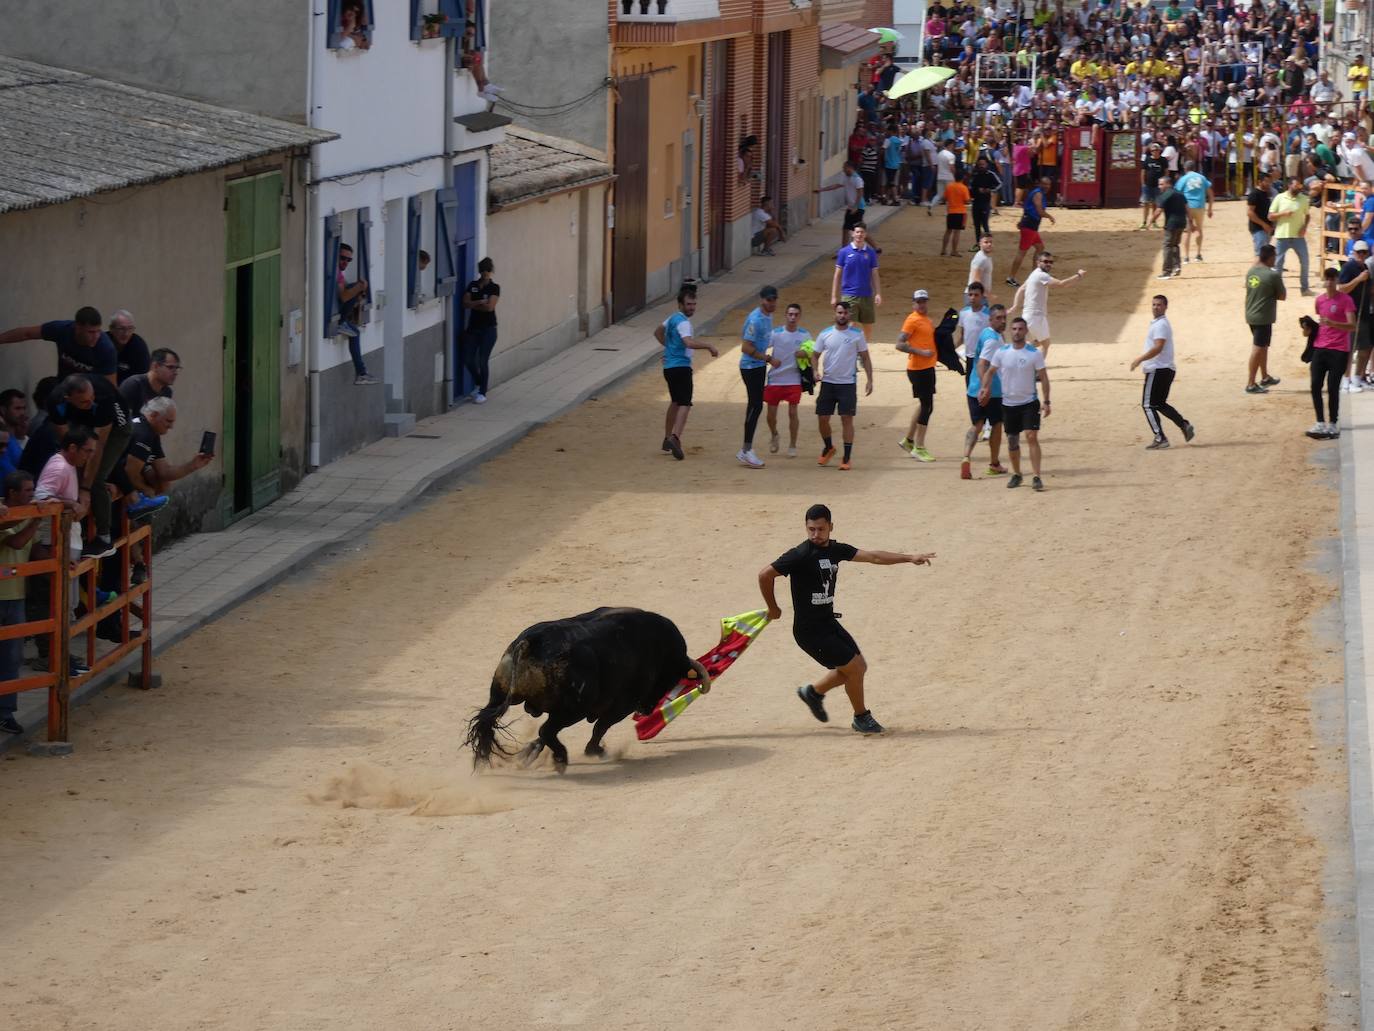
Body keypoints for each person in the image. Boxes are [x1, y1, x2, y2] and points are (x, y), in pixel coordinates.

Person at [759, 503, 934, 737]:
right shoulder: (800, 554)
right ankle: (861, 717)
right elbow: (765, 574)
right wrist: (773, 607)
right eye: (811, 529)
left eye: (821, 529)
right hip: (809, 631)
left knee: (858, 668)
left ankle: (814, 692)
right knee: (854, 669)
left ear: (831, 527)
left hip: (828, 623)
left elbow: (873, 557)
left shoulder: (835, 549)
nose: (815, 534)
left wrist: (910, 557)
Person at [44, 374, 134, 559]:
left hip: (117, 428)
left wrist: (85, 488)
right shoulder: (55, 402)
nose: (91, 402)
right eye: (85, 401)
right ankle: (80, 527)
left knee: (97, 477)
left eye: (91, 398)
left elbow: (98, 446)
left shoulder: (102, 399)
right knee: (77, 467)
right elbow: (68, 444)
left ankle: (104, 538)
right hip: (83, 422)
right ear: (68, 398)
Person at [979, 317, 1050, 492]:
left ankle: (1036, 476)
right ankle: (1017, 474)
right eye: (1014, 329)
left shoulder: (1034, 354)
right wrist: (984, 388)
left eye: (1020, 329)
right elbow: (990, 371)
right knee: (1012, 441)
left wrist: (1047, 401)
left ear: (1026, 331)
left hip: (1029, 402)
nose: (1017, 332)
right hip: (1009, 403)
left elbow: (1044, 377)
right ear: (1010, 331)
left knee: (1031, 436)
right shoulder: (1002, 352)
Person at [654, 287, 717, 461]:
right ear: (680, 304)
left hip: (669, 368)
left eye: (694, 304)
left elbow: (657, 331)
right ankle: (675, 437)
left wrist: (669, 348)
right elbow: (688, 342)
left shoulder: (672, 318)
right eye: (689, 304)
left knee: (675, 402)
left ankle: (667, 438)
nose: (692, 307)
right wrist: (709, 346)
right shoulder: (683, 323)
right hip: (681, 367)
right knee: (685, 403)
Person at [1129, 294, 1196, 450]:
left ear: (1166, 307)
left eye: (1159, 305)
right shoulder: (1160, 323)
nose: (1155, 307)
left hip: (1157, 369)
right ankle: (1184, 425)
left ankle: (1160, 438)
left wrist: (1139, 359)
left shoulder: (1160, 325)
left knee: (1147, 405)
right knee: (1159, 403)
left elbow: (1158, 347)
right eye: (1153, 304)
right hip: (1166, 369)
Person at [118, 398, 213, 505]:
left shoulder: (150, 431)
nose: (171, 427)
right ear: (154, 415)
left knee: (162, 483)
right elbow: (130, 473)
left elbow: (164, 472)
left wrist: (194, 465)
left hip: (118, 474)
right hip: (110, 476)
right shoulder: (144, 434)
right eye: (168, 421)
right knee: (148, 491)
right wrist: (146, 490)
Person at [813, 302, 873, 471]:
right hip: (828, 382)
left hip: (847, 383)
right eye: (839, 312)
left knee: (847, 419)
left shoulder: (857, 334)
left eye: (845, 313)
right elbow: (815, 355)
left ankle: (846, 457)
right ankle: (829, 447)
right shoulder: (825, 334)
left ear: (849, 315)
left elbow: (865, 358)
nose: (842, 315)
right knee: (822, 418)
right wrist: (815, 371)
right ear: (835, 313)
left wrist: (870, 379)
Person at [0, 470, 38, 735]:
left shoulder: (24, 515)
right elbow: (16, 541)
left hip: (15, 596)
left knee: (12, 658)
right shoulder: (5, 514)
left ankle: (5, 713)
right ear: (12, 493)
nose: (32, 495)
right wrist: (37, 521)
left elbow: (31, 549)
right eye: (27, 491)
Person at [0, 306, 118, 383]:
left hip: (90, 397)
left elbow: (110, 388)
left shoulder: (106, 349)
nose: (96, 336)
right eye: (91, 332)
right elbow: (27, 333)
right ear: (78, 328)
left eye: (98, 331)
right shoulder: (62, 330)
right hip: (64, 388)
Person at [1308, 266, 1358, 439]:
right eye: (1327, 279)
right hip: (1320, 347)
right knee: (1315, 385)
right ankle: (1320, 422)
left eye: (1332, 279)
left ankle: (1333, 423)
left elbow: (1352, 326)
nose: (1329, 282)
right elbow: (1320, 323)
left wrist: (1333, 324)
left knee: (1332, 387)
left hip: (1338, 350)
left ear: (1337, 281)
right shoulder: (1320, 300)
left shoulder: (1346, 300)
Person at [1009, 252, 1084, 361]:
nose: (1048, 264)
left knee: (1039, 342)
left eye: (1050, 262)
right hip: (1035, 316)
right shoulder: (1041, 275)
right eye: (1045, 262)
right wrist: (1079, 275)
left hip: (1031, 315)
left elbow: (1021, 289)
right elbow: (1061, 284)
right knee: (1045, 343)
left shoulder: (1034, 274)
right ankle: (1035, 369)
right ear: (1038, 262)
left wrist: (1015, 305)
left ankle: (1019, 356)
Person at [962, 303, 1008, 480]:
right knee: (996, 425)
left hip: (973, 389)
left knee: (977, 425)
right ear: (990, 319)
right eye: (998, 318)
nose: (1002, 321)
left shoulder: (986, 333)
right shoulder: (993, 340)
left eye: (1004, 318)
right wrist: (986, 387)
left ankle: (966, 456)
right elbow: (982, 364)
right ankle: (994, 464)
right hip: (992, 391)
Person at [737, 286, 778, 469]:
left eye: (774, 299)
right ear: (762, 300)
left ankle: (746, 449)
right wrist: (767, 358)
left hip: (758, 366)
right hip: (751, 367)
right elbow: (745, 347)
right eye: (769, 300)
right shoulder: (756, 319)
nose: (772, 303)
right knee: (756, 405)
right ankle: (746, 450)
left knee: (754, 406)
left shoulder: (768, 316)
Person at [896, 290, 939, 462]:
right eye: (919, 302)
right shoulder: (912, 320)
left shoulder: (927, 320)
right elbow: (899, 344)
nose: (922, 304)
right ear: (913, 303)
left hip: (927, 368)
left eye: (924, 301)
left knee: (924, 405)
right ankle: (919, 447)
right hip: (918, 369)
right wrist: (920, 352)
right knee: (927, 406)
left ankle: (909, 440)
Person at [764, 303, 809, 459]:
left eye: (796, 315)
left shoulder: (804, 335)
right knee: (771, 415)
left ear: (799, 316)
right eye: (790, 314)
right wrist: (769, 359)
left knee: (792, 412)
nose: (792, 317)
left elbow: (812, 352)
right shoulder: (776, 333)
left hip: (794, 378)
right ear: (785, 316)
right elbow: (761, 347)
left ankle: (792, 444)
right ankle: (774, 434)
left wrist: (804, 353)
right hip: (775, 378)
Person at [1245, 243, 1287, 394]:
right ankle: (1250, 383)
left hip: (1251, 314)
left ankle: (1264, 376)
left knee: (1263, 346)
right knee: (1258, 348)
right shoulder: (1272, 275)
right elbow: (1282, 296)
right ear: (1270, 258)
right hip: (1263, 316)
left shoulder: (1251, 272)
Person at [830, 222, 882, 345]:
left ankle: (861, 350)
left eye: (862, 232)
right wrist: (833, 296)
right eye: (857, 232)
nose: (859, 234)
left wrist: (878, 293)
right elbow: (837, 274)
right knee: (851, 324)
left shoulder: (871, 253)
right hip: (849, 294)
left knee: (868, 326)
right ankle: (850, 351)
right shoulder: (844, 252)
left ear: (866, 234)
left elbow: (874, 274)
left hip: (866, 294)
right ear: (852, 234)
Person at [335, 243, 377, 385]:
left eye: (348, 260)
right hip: (337, 318)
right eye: (342, 258)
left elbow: (347, 297)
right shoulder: (334, 273)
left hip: (341, 316)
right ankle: (341, 323)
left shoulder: (339, 274)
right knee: (354, 286)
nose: (345, 262)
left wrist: (358, 295)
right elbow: (343, 297)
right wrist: (359, 287)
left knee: (356, 333)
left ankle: (361, 373)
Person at [462, 257, 500, 404]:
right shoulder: (472, 285)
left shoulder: (494, 287)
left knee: (482, 360)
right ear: (480, 271)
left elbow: (490, 307)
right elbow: (465, 303)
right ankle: (479, 382)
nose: (486, 273)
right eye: (483, 270)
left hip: (489, 329)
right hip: (473, 328)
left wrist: (474, 304)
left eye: (488, 270)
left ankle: (482, 392)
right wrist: (479, 302)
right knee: (468, 359)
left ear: (491, 271)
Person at [1337, 240, 1373, 391]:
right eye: (1359, 252)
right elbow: (1342, 289)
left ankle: (1357, 378)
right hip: (1350, 314)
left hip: (1364, 313)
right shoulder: (1349, 267)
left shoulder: (1366, 267)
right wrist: (1358, 279)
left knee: (1365, 348)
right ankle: (1345, 380)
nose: (1362, 255)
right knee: (1349, 349)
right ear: (1354, 252)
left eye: (1364, 252)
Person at [1006, 176, 1056, 286]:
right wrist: (1050, 217)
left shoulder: (1037, 193)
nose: (1047, 187)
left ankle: (1035, 273)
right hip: (1029, 226)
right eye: (1045, 184)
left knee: (1040, 247)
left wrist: (1020, 221)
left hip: (1030, 226)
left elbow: (1027, 208)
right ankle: (1011, 277)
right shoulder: (1038, 194)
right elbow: (1039, 211)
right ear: (1040, 184)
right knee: (1022, 252)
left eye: (1048, 184)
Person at [1271, 176, 1312, 297]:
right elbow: (1270, 216)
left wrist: (1304, 227)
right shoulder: (1279, 198)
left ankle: (1305, 289)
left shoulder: (1303, 199)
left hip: (1298, 237)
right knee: (1278, 265)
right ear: (1289, 185)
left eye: (1299, 185)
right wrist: (1283, 213)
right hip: (1282, 236)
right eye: (1296, 185)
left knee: (1305, 262)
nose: (1298, 187)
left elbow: (1308, 215)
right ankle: (1277, 290)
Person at [814, 161, 867, 245]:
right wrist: (822, 190)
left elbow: (860, 193)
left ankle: (875, 248)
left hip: (858, 208)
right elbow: (836, 186)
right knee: (846, 229)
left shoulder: (857, 179)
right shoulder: (846, 177)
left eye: (844, 167)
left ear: (850, 168)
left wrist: (856, 207)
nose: (843, 169)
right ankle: (844, 250)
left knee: (858, 230)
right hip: (851, 207)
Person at [118, 347, 179, 414]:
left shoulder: (167, 392)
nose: (175, 373)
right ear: (155, 366)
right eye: (170, 367)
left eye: (176, 368)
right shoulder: (133, 385)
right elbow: (120, 418)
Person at [1174, 161, 1214, 263]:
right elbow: (1210, 194)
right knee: (1199, 230)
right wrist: (1210, 208)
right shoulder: (1202, 177)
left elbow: (1177, 194)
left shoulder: (1183, 179)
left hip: (1188, 207)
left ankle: (1186, 257)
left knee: (1187, 232)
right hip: (1200, 206)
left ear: (1185, 168)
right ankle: (1198, 254)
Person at [106, 310, 151, 384]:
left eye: (130, 329)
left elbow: (143, 378)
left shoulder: (139, 346)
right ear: (111, 329)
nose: (126, 333)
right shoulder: (103, 343)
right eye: (121, 329)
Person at [968, 157, 1002, 243]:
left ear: (987, 164)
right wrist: (976, 190)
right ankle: (978, 243)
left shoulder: (990, 174)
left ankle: (988, 242)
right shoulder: (974, 174)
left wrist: (990, 190)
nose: (981, 166)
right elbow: (970, 187)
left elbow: (1000, 184)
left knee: (985, 224)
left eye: (983, 164)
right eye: (980, 164)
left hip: (985, 202)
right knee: (977, 225)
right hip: (975, 202)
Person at [941, 169, 972, 258]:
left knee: (948, 231)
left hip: (950, 212)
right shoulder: (963, 188)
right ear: (963, 178)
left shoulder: (949, 186)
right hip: (960, 212)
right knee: (956, 232)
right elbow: (967, 201)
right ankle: (954, 251)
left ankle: (943, 249)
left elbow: (944, 198)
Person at [1247, 170, 1276, 256]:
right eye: (1266, 181)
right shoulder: (1254, 194)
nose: (1269, 184)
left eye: (1270, 182)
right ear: (1260, 182)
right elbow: (1250, 213)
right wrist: (1264, 225)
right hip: (1258, 228)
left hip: (1267, 228)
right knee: (1260, 254)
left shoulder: (1267, 193)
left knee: (1264, 254)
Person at [1139, 142, 1167, 230]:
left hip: (1158, 186)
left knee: (1156, 204)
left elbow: (1166, 172)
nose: (1155, 152)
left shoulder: (1163, 160)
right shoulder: (1147, 159)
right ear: (1151, 151)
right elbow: (1143, 172)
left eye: (1156, 150)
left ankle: (1154, 221)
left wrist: (1164, 184)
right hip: (1148, 185)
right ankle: (1144, 221)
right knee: (1146, 204)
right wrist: (1143, 183)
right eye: (1153, 150)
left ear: (1159, 151)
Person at [968, 234, 994, 300]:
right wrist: (988, 294)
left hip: (978, 295)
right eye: (986, 242)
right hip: (976, 296)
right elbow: (976, 279)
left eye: (991, 242)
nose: (989, 244)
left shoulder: (983, 256)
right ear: (980, 244)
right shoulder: (981, 259)